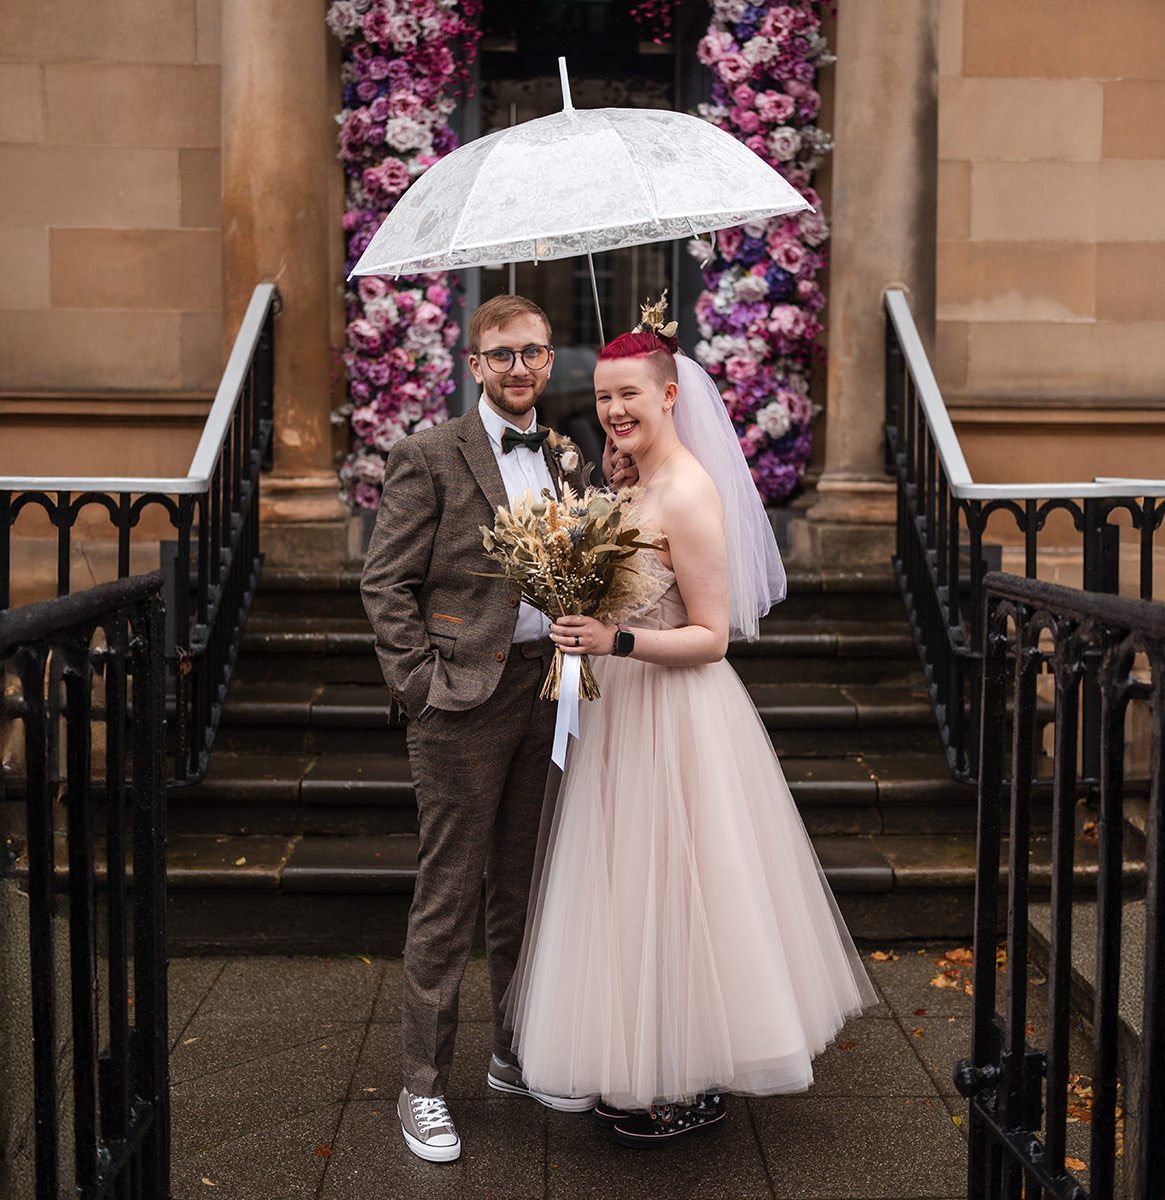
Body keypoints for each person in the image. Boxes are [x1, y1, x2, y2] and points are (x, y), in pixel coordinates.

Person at [504, 301, 878, 1148]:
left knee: (686, 894)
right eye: (603, 398)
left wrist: (614, 636)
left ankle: (689, 1072)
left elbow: (712, 637)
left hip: (679, 717)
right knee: (628, 891)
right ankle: (637, 1062)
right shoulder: (629, 483)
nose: (615, 411)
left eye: (630, 394)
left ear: (672, 394)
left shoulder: (692, 491)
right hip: (624, 715)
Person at [361, 294, 630, 1163]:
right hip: (461, 699)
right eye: (504, 354)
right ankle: (423, 1087)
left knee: (529, 884)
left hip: (550, 691)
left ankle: (515, 1050)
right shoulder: (428, 454)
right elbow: (386, 582)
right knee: (451, 893)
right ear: (475, 364)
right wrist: (421, 684)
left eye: (536, 354)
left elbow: (588, 561)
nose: (522, 368)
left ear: (553, 362)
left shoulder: (566, 456)